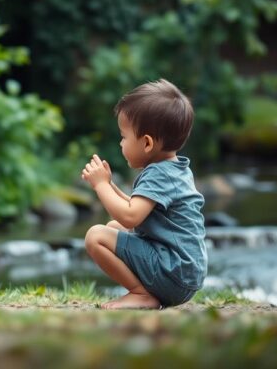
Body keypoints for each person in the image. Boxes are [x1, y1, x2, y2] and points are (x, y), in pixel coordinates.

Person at [81, 79, 206, 309]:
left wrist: (101, 187)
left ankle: (140, 294)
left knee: (95, 236)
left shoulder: (158, 173)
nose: (121, 143)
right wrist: (109, 184)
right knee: (112, 227)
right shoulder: (175, 168)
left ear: (147, 143)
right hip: (183, 274)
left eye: (124, 136)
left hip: (173, 273)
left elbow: (131, 217)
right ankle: (145, 292)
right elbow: (140, 209)